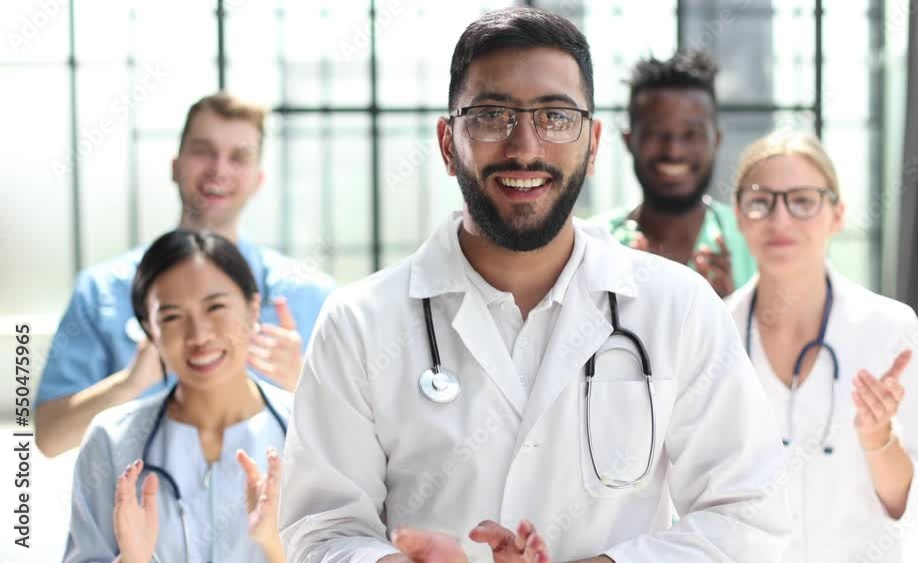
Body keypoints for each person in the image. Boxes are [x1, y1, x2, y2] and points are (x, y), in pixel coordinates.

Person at [280, 8, 789, 563]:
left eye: (554, 116)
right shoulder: (359, 323)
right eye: (492, 115)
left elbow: (748, 517)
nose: (525, 146)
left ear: (593, 144)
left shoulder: (678, 308)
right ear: (449, 143)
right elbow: (322, 532)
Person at [36, 92, 335, 458]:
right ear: (175, 166)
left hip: (274, 513)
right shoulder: (101, 293)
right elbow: (49, 438)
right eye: (203, 151)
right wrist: (129, 386)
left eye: (238, 157)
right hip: (138, 510)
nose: (219, 169)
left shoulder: (311, 297)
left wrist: (301, 383)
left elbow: (358, 446)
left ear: (258, 180)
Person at [724, 131, 918, 562]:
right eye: (761, 201)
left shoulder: (889, 329)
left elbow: (908, 503)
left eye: (802, 200)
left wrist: (878, 438)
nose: (780, 219)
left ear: (837, 215)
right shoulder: (715, 331)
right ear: (740, 216)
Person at [63, 230, 291, 563]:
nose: (199, 335)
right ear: (148, 329)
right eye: (171, 316)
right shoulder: (112, 439)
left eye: (215, 307)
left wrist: (276, 548)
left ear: (253, 308)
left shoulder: (307, 430)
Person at [592, 51, 755, 297]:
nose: (674, 151)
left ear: (716, 141)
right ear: (629, 141)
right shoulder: (594, 245)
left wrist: (731, 313)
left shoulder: (754, 240)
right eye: (656, 134)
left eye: (692, 134)